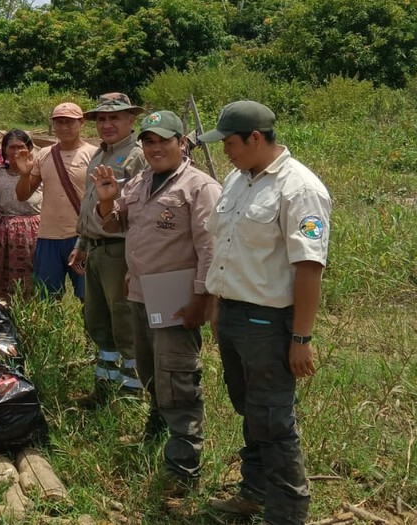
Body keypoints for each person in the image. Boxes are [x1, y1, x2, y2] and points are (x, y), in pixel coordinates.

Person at [200, 101, 329, 525]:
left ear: (256, 138)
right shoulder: (239, 179)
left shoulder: (299, 188)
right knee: (249, 410)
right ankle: (253, 492)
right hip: (234, 317)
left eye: (231, 143)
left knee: (273, 419)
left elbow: (308, 268)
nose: (226, 153)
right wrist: (218, 308)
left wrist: (301, 337)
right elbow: (226, 250)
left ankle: (287, 513)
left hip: (269, 324)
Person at [92, 110, 220, 495]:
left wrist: (201, 300)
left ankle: (183, 468)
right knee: (149, 369)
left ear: (182, 143)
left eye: (164, 140)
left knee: (178, 378)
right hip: (141, 293)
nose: (155, 147)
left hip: (179, 298)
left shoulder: (200, 187)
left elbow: (211, 249)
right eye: (148, 141)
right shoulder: (141, 181)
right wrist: (106, 203)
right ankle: (158, 423)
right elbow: (117, 225)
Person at [73, 92, 148, 405]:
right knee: (98, 319)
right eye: (102, 118)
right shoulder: (98, 155)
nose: (107, 124)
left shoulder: (138, 155)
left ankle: (133, 391)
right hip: (96, 248)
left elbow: (144, 209)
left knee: (124, 320)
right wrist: (82, 243)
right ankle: (104, 386)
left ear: (131, 120)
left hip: (121, 250)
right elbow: (91, 202)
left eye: (114, 117)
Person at [15, 103, 97, 301]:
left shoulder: (94, 154)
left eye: (69, 122)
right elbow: (22, 195)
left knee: (90, 297)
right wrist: (24, 175)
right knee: (47, 298)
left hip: (81, 236)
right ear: (53, 125)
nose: (64, 127)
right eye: (59, 122)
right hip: (48, 236)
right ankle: (53, 333)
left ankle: (91, 333)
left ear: (81, 123)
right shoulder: (45, 154)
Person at [0, 129, 44, 301]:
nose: (16, 152)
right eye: (11, 147)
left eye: (21, 147)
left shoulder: (37, 173)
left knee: (29, 272)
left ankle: (28, 311)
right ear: (4, 150)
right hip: (4, 230)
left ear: (30, 149)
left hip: (33, 230)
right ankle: (0, 309)